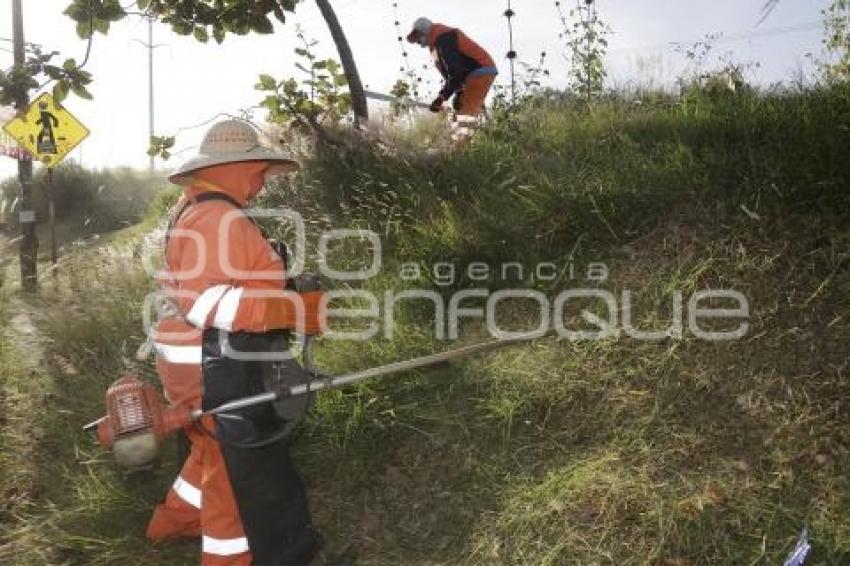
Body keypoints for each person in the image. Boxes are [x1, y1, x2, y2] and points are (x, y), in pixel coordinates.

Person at [145, 119, 326, 565]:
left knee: (210, 442)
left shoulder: (197, 211)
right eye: (259, 172)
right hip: (216, 368)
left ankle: (174, 521)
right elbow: (209, 303)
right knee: (237, 476)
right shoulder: (217, 218)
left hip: (199, 363)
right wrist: (296, 311)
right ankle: (233, 557)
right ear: (236, 169)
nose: (262, 184)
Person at [406, 17, 498, 117]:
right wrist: (458, 92)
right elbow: (449, 73)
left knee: (465, 115)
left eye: (418, 39)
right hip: (474, 72)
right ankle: (485, 126)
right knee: (465, 109)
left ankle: (477, 125)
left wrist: (441, 98)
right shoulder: (435, 44)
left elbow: (455, 73)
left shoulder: (444, 37)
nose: (418, 43)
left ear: (423, 32)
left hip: (480, 71)